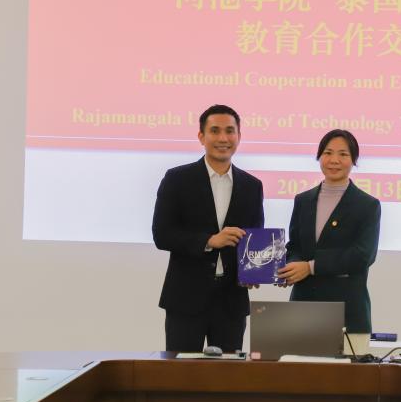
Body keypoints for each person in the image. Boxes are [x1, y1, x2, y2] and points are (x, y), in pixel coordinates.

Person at [152, 104, 265, 352]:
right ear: (201, 136)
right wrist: (209, 241)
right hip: (185, 297)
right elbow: (162, 235)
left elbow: (255, 238)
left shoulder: (252, 185)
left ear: (239, 136)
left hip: (232, 301)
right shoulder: (177, 179)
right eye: (215, 131)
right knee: (181, 370)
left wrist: (254, 271)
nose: (223, 138)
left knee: (227, 373)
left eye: (230, 131)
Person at [277, 129, 381, 333]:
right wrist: (290, 268)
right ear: (319, 157)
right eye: (328, 153)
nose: (334, 160)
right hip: (304, 305)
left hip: (347, 310)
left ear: (353, 160)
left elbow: (363, 256)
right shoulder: (303, 200)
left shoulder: (367, 205)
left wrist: (310, 267)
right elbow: (295, 246)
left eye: (343, 154)